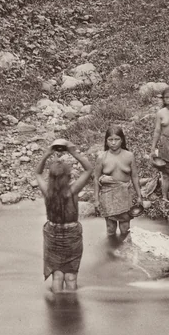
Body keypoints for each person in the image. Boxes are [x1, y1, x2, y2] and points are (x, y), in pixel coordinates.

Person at [35, 139, 94, 293]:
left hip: (52, 233)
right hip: (71, 234)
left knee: (57, 276)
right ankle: (71, 310)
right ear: (68, 176)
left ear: (52, 178)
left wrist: (47, 153)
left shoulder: (48, 192)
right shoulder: (72, 191)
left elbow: (37, 173)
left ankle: (57, 311)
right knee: (71, 277)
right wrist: (74, 152)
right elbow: (88, 170)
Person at [93, 125, 141, 240]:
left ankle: (124, 253)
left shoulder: (129, 156)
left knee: (125, 228)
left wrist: (139, 196)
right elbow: (96, 178)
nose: (113, 143)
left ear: (122, 140)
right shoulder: (102, 157)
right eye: (110, 140)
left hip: (125, 195)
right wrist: (96, 199)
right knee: (110, 228)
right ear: (106, 141)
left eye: (116, 139)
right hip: (108, 195)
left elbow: (134, 176)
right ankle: (111, 253)